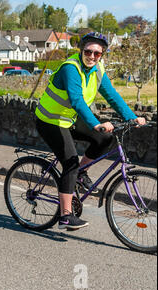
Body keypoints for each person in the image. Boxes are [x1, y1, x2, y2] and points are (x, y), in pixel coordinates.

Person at [35, 32, 146, 230]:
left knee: (107, 139)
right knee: (69, 161)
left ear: (102, 55)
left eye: (98, 54)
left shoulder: (97, 69)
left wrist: (132, 117)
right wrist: (95, 123)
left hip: (70, 119)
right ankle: (66, 216)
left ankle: (80, 172)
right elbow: (77, 100)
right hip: (50, 121)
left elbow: (112, 95)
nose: (93, 57)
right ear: (82, 50)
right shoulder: (71, 68)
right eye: (89, 52)